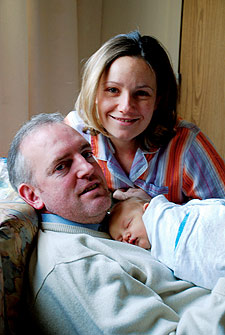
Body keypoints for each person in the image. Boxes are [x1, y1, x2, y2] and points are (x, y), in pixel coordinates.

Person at [7, 113, 225, 334]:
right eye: (62, 166)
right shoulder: (75, 265)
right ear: (33, 195)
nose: (87, 168)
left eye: (86, 154)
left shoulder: (106, 222)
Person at [65, 31, 225, 204]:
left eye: (141, 93)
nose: (126, 107)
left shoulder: (187, 145)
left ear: (158, 100)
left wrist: (159, 209)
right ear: (94, 92)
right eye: (112, 90)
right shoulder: (74, 132)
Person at [107, 195, 225, 290]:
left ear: (147, 208)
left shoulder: (162, 215)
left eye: (128, 225)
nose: (126, 236)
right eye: (120, 239)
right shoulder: (152, 254)